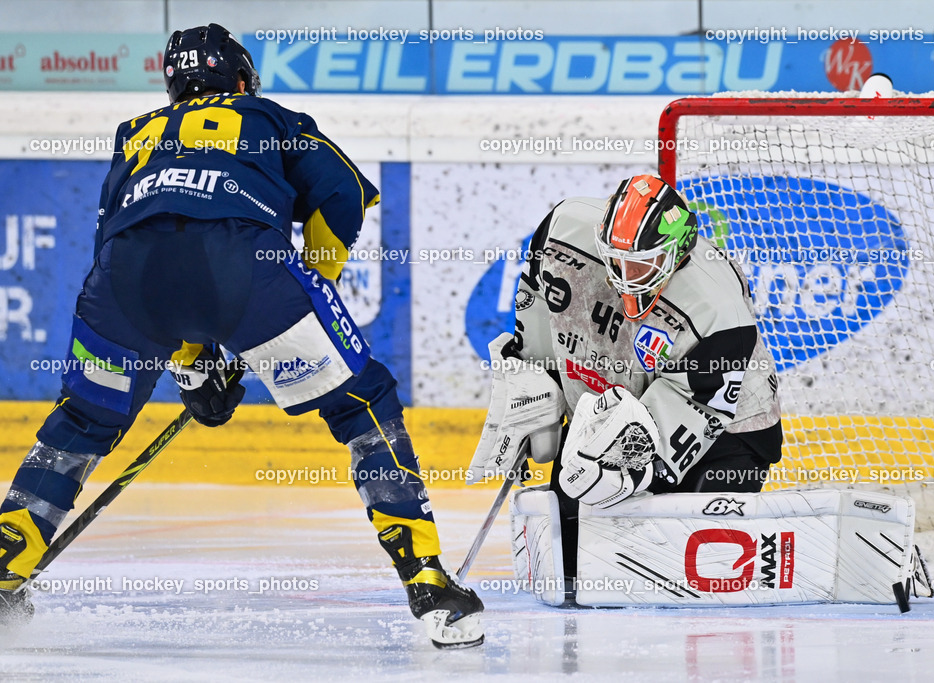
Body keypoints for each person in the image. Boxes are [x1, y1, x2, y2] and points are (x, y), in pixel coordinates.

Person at [0, 24, 482, 648]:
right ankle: (428, 580)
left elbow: (125, 245)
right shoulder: (269, 116)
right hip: (246, 268)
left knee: (83, 420)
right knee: (362, 403)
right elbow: (341, 191)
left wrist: (193, 363)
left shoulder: (135, 133)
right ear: (240, 79)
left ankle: (6, 564)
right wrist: (313, 286)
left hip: (122, 284)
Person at [476, 174, 783, 591]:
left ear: (675, 253)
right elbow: (539, 302)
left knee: (685, 569)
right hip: (608, 405)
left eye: (640, 264)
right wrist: (536, 380)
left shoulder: (719, 310)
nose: (624, 276)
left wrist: (632, 468)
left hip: (728, 428)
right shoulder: (561, 229)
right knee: (570, 565)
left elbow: (698, 405)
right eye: (615, 260)